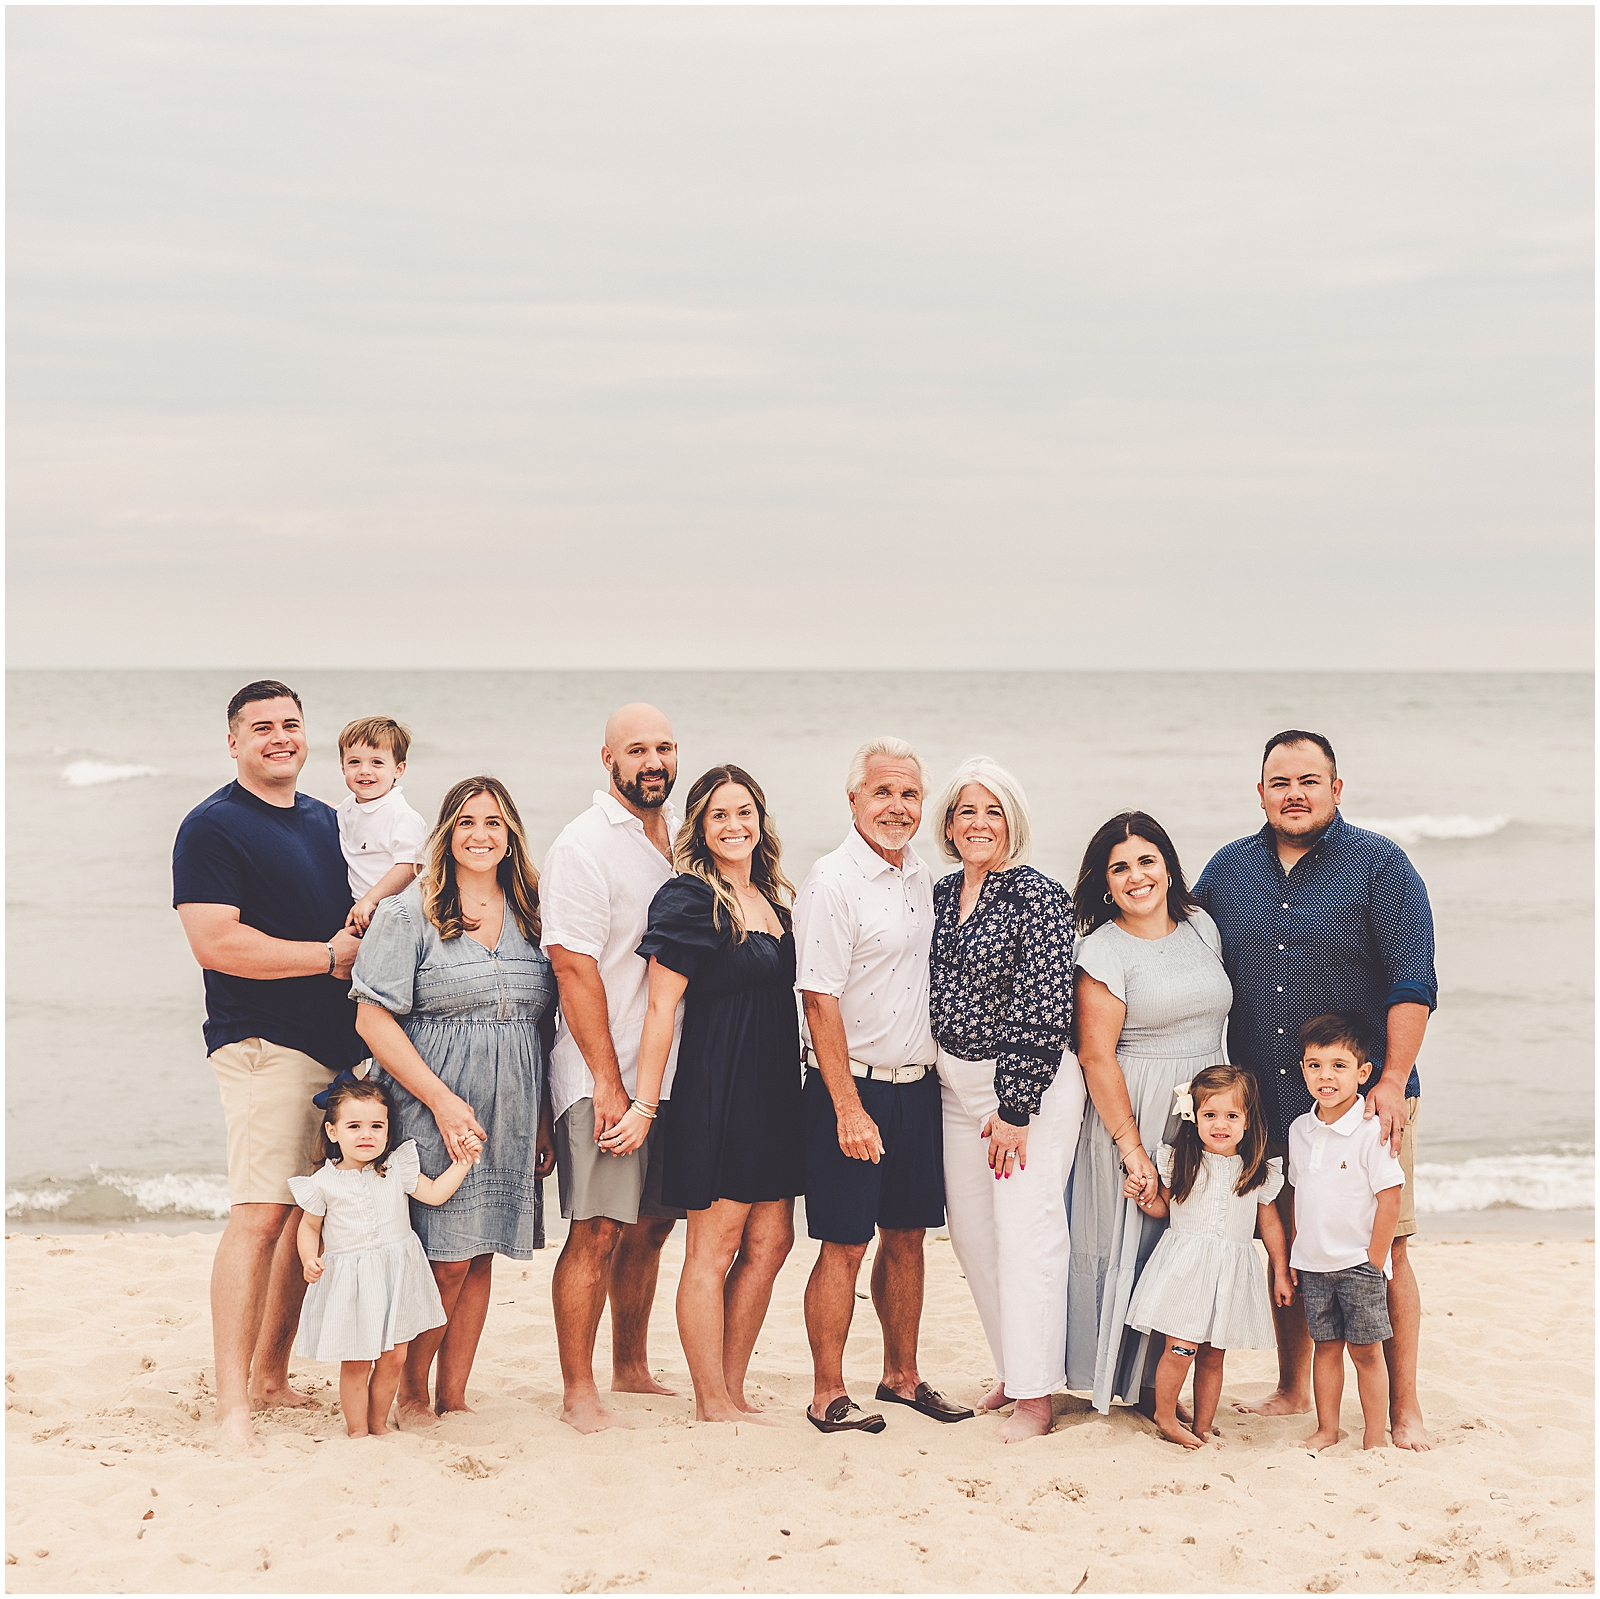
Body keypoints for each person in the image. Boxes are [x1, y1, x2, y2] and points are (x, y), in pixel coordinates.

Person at [1194, 729, 1436, 1450]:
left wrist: (1390, 1081)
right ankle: (1293, 1386)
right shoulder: (1229, 870)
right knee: (1294, 1244)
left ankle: (1405, 1407)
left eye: (1308, 779)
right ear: (1259, 791)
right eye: (1279, 781)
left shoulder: (1381, 865)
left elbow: (1413, 980)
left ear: (1337, 787)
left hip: (1363, 1101)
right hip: (1267, 1102)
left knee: (1384, 1248)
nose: (1293, 792)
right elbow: (1184, 946)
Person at [172, 679, 365, 1455]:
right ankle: (232, 1410)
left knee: (298, 1215)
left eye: (290, 724)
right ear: (233, 741)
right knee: (258, 1215)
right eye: (261, 727)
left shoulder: (327, 820)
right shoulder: (212, 826)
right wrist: (327, 958)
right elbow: (216, 942)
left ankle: (270, 1376)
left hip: (338, 1048)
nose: (279, 737)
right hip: (261, 1042)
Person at [600, 765, 804, 1424]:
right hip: (720, 1089)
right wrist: (644, 1103)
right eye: (719, 815)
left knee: (772, 1243)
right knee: (713, 1250)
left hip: (776, 1091)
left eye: (744, 811)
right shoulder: (690, 898)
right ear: (699, 826)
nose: (734, 825)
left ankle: (732, 1386)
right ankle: (710, 1399)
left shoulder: (774, 896)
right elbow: (662, 1011)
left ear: (760, 819)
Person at [351, 776, 557, 1425]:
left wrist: (544, 1118)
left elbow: (544, 1027)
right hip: (431, 1102)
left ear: (511, 835)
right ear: (446, 833)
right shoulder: (409, 914)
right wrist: (440, 1100)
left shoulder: (533, 915)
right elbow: (373, 1020)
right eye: (466, 821)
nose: (480, 834)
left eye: (494, 822)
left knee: (480, 1251)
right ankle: (412, 1389)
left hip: (513, 1108)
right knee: (441, 1258)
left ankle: (454, 1393)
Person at [795, 736, 973, 1434]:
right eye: (882, 792)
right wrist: (846, 1105)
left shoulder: (921, 876)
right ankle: (827, 1392)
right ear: (854, 801)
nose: (897, 806)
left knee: (907, 1236)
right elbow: (818, 998)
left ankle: (903, 1375)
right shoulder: (832, 881)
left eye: (908, 794)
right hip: (852, 1089)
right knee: (844, 1242)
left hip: (919, 1088)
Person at [927, 756, 1084, 1443]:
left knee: (1028, 1232)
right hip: (953, 1086)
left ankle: (1035, 1395)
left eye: (993, 810)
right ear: (949, 823)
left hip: (1025, 1088)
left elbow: (1046, 1001)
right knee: (972, 1235)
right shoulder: (938, 894)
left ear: (1012, 821)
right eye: (967, 810)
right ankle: (1014, 1364)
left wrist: (1016, 1105)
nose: (979, 822)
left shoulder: (1038, 894)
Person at [540, 703, 687, 1433]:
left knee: (654, 1224)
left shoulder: (682, 838)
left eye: (663, 747)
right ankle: (578, 1388)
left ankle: (630, 1364)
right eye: (637, 749)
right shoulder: (585, 843)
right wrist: (606, 1080)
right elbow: (571, 965)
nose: (652, 761)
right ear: (608, 759)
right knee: (596, 1229)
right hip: (605, 1074)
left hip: (668, 1077)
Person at [1064, 811, 1233, 1418]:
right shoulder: (1101, 950)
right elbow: (1096, 1056)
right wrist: (1132, 1147)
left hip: (1200, 1113)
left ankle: (1158, 1390)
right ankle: (1113, 1380)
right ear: (1104, 882)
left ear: (1167, 865)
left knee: (1182, 1244)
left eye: (1147, 861)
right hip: (1131, 1106)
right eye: (1120, 868)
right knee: (1126, 1241)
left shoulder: (1202, 926)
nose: (1137, 877)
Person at [290, 1076, 478, 1438]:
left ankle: (379, 1425)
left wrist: (464, 1162)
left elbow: (436, 1194)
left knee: (394, 1358)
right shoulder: (322, 1183)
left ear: (388, 1129)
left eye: (377, 1126)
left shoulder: (395, 1168)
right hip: (353, 1283)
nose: (367, 1134)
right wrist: (307, 1258)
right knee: (358, 1361)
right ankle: (359, 1430)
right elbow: (309, 1227)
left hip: (397, 1275)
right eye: (354, 1126)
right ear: (333, 1132)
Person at [1122, 1065, 1294, 1450]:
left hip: (1230, 1274)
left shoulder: (1257, 1172)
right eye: (1210, 1115)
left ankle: (1203, 1424)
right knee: (1180, 1349)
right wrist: (1141, 1193)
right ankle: (1166, 1417)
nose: (1221, 1124)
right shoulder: (1181, 1161)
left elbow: (1270, 1226)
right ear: (1194, 1117)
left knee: (1214, 1357)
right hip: (1186, 1270)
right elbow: (1162, 1208)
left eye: (1232, 1116)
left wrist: (1280, 1271)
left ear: (1248, 1120)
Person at [1286, 1013, 1406, 1451]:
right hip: (1315, 1265)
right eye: (1315, 1065)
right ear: (1302, 1069)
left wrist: (1374, 1261)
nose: (1326, 1076)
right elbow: (1301, 1195)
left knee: (1367, 1352)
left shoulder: (1372, 1130)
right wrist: (1299, 1255)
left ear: (1363, 1072)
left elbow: (1390, 1197)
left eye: (1338, 1066)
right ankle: (1327, 1429)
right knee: (1327, 1349)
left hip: (1359, 1264)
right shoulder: (1301, 1129)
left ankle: (1376, 1436)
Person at [336, 716, 428, 933]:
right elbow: (330, 810)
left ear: (398, 769)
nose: (364, 770)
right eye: (354, 762)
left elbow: (410, 867)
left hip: (402, 914)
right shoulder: (350, 806)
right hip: (366, 913)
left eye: (377, 762)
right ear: (342, 768)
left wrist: (370, 900)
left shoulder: (401, 815)